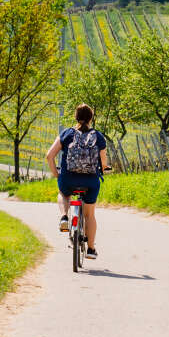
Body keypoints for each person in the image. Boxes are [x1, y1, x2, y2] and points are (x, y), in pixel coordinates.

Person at [46, 104, 110, 259]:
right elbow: (103, 162)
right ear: (91, 118)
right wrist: (105, 169)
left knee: (63, 193)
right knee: (89, 215)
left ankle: (64, 217)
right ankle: (91, 249)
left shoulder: (67, 134)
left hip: (68, 178)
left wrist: (57, 174)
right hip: (90, 181)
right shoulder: (98, 136)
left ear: (76, 117)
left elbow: (49, 156)